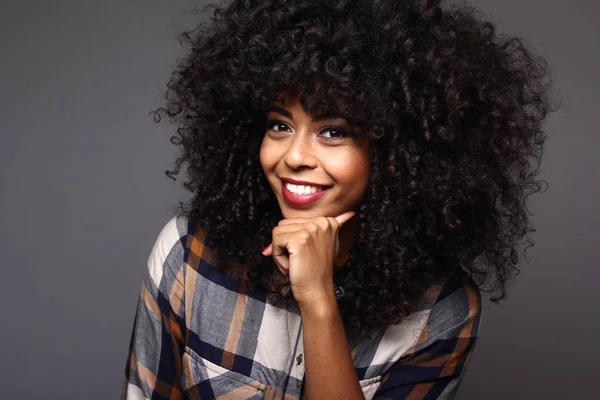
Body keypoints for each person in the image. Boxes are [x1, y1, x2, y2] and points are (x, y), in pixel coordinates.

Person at [121, 0, 552, 398]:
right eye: (279, 125)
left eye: (333, 131)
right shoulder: (190, 255)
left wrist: (318, 300)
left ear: (398, 151)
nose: (294, 156)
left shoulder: (440, 310)